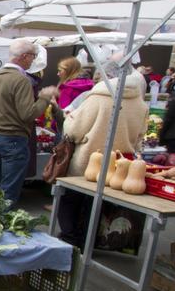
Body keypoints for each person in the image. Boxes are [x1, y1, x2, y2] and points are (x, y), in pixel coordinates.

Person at [56, 69, 149, 248]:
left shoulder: (98, 98)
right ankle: (87, 239)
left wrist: (70, 119)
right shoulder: (141, 104)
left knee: (71, 198)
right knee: (96, 204)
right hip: (119, 164)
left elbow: (73, 130)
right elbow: (140, 136)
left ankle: (70, 237)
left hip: (88, 159)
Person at [0, 39, 57, 207]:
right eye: (33, 56)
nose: (33, 60)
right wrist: (45, 97)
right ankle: (2, 224)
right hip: (13, 138)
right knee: (8, 190)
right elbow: (27, 114)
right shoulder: (21, 80)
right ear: (24, 56)